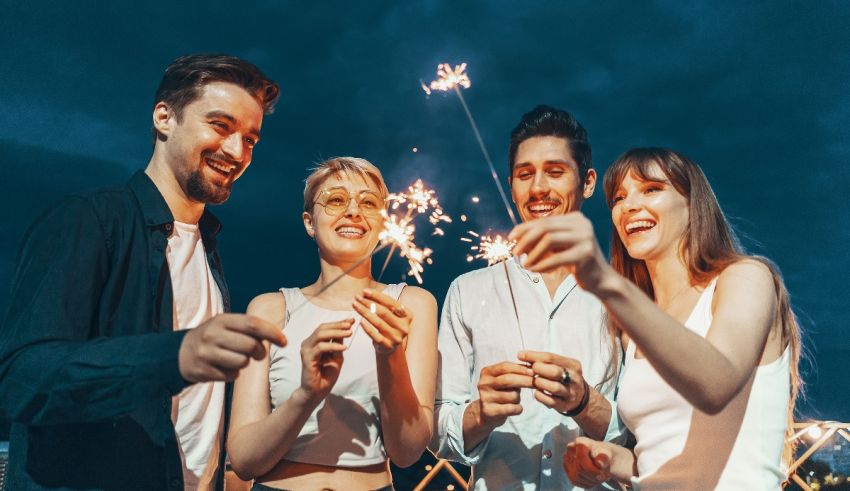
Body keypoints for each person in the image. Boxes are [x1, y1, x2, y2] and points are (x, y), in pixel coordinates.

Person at [0, 54, 284, 491]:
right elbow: (21, 379)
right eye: (220, 125)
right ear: (164, 117)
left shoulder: (209, 252)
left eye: (250, 139)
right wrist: (174, 357)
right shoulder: (87, 221)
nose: (236, 151)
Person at [510, 148, 802, 489]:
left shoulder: (745, 279)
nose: (629, 205)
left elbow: (716, 384)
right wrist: (607, 458)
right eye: (618, 198)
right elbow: (661, 455)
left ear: (693, 204)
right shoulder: (634, 331)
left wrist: (605, 281)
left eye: (651, 189)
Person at [432, 105, 622, 490]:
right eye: (525, 175)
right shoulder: (467, 292)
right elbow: (437, 434)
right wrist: (481, 414)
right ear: (511, 185)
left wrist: (586, 402)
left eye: (555, 172)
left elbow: (647, 434)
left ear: (587, 182)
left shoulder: (626, 298)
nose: (538, 189)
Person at [226, 157, 438, 490]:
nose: (353, 211)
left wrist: (390, 356)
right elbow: (243, 459)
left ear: (383, 223)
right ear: (310, 222)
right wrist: (307, 395)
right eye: (336, 200)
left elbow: (407, 452)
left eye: (368, 203)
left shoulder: (410, 306)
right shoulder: (269, 309)